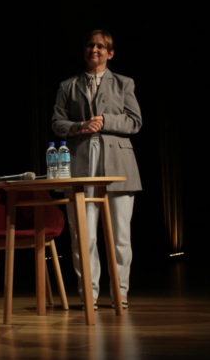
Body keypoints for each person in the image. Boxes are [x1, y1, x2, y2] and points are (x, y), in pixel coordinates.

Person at [51, 29, 142, 309]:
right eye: (91, 45)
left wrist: (105, 121)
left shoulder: (124, 83)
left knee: (119, 235)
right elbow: (57, 122)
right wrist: (80, 126)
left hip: (118, 162)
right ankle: (88, 294)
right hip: (81, 161)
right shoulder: (68, 85)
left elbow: (135, 121)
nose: (95, 50)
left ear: (110, 53)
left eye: (101, 46)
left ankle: (120, 292)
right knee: (83, 234)